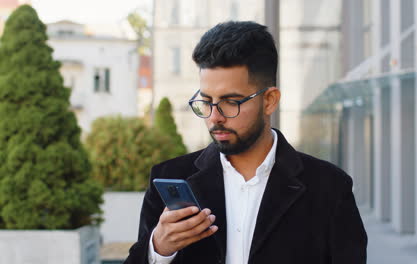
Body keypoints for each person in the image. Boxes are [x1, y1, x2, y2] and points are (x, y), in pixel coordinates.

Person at [124, 21, 367, 264]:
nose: (214, 116)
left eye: (231, 102)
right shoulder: (170, 176)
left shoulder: (329, 188)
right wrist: (158, 249)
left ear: (270, 100)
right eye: (206, 100)